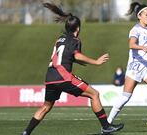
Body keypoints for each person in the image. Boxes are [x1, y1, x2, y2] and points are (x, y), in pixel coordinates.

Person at [21, 3, 123, 135]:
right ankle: (106, 126)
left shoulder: (60, 39)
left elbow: (64, 55)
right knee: (94, 94)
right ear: (78, 28)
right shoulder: (75, 40)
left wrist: (74, 60)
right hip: (63, 76)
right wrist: (96, 62)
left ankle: (25, 133)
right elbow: (77, 55)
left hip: (50, 77)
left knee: (46, 107)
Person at [107, 2, 147, 128]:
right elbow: (131, 44)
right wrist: (141, 47)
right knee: (126, 96)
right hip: (136, 66)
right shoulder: (136, 29)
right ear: (139, 16)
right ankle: (107, 122)